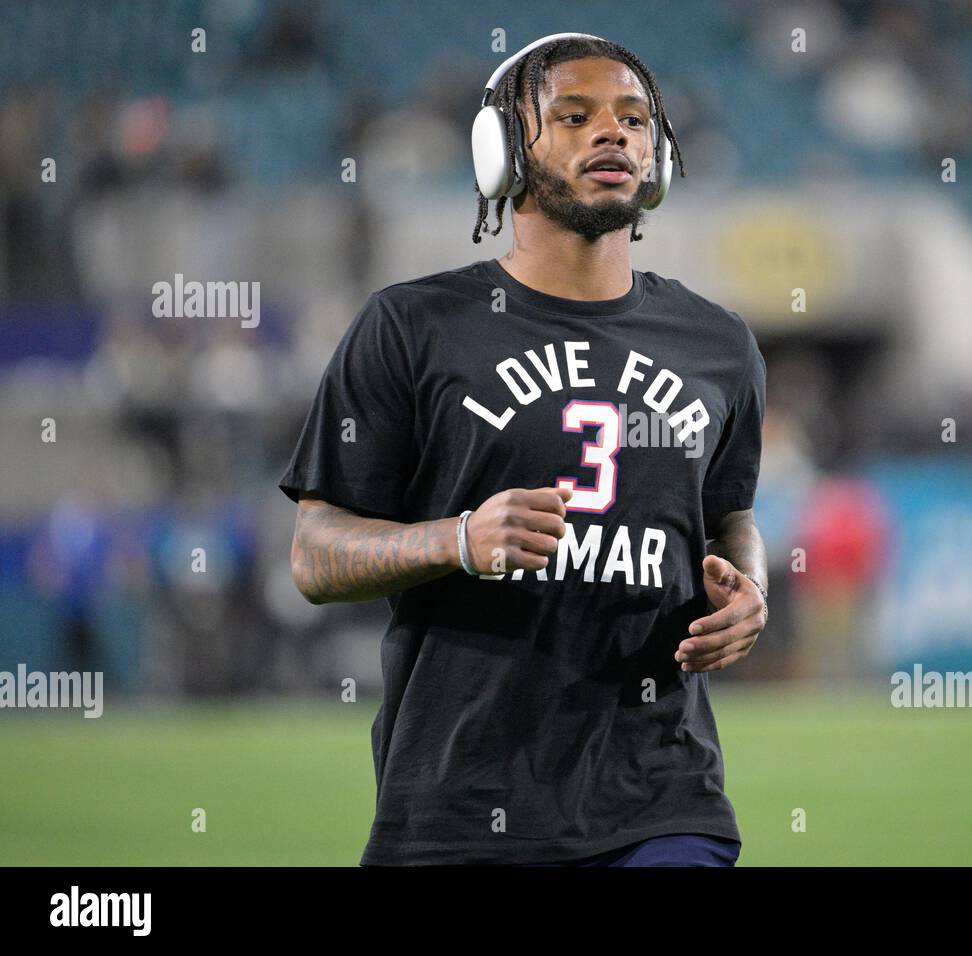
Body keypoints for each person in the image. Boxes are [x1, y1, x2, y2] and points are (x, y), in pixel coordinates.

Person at [278, 34, 768, 867]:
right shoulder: (410, 326)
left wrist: (748, 587)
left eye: (634, 119)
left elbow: (731, 516)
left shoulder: (720, 343)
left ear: (659, 155)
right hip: (458, 800)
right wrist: (457, 540)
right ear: (501, 151)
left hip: (662, 797)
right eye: (573, 116)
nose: (611, 135)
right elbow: (315, 556)